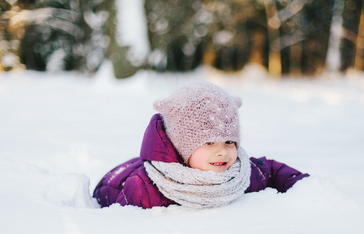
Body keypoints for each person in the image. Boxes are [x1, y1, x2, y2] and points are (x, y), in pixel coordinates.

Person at [93, 82, 309, 209]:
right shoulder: (145, 188)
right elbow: (121, 225)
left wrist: (304, 187)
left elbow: (272, 170)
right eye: (208, 142)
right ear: (181, 146)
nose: (222, 152)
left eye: (229, 142)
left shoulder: (243, 174)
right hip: (117, 180)